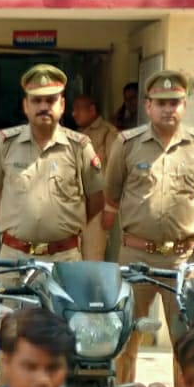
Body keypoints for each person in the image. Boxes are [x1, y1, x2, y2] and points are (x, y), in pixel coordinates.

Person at [105, 71, 194, 387]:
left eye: (175, 103)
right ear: (148, 106)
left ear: (184, 105)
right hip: (136, 255)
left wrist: (179, 227)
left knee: (186, 340)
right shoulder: (127, 144)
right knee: (127, 337)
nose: (169, 109)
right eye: (161, 103)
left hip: (181, 259)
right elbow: (112, 194)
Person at [0, 65, 104, 263]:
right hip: (15, 257)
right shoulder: (5, 144)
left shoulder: (79, 147)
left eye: (51, 100)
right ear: (25, 106)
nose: (43, 107)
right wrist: (15, 226)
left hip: (63, 258)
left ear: (62, 105)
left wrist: (66, 227)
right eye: (36, 100)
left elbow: (96, 200)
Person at [72, 94, 122, 262]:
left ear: (92, 110)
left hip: (97, 207)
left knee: (92, 257)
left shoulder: (108, 133)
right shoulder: (77, 135)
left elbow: (115, 173)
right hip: (76, 205)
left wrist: (110, 209)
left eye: (78, 109)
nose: (74, 114)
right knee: (73, 257)